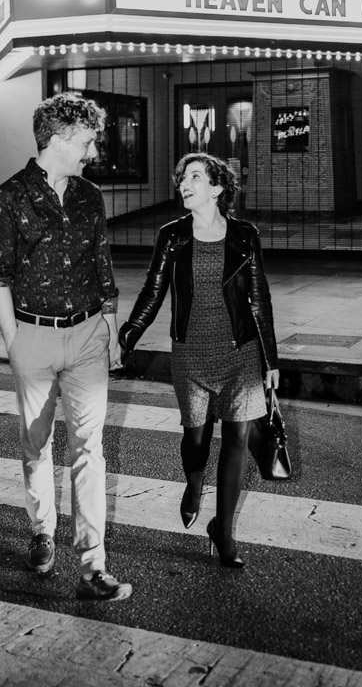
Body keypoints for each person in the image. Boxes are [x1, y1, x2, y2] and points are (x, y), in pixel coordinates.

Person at [0, 91, 132, 603]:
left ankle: (93, 564)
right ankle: (42, 529)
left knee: (90, 448)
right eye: (88, 141)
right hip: (34, 336)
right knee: (36, 444)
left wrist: (110, 330)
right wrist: (14, 343)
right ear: (61, 137)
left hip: (89, 334)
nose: (93, 152)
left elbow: (103, 267)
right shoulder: (6, 198)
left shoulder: (90, 197)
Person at [119, 152, 279, 568]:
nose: (183, 184)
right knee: (196, 439)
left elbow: (259, 297)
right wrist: (127, 335)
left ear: (217, 188)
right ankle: (193, 484)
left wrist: (270, 359)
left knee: (238, 438)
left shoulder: (245, 235)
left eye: (194, 177)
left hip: (240, 350)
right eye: (181, 178)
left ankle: (223, 532)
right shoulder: (172, 234)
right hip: (191, 351)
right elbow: (154, 290)